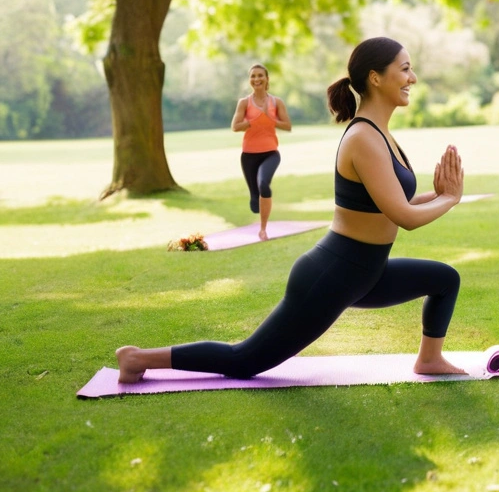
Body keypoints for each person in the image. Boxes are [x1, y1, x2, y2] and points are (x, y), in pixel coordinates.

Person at [115, 37, 467, 382]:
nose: (413, 78)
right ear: (376, 77)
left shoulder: (381, 134)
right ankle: (138, 358)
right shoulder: (364, 138)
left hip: (366, 273)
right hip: (333, 275)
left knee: (444, 280)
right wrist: (448, 199)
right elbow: (405, 218)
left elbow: (394, 206)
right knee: (246, 360)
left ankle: (429, 359)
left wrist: (438, 195)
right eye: (405, 69)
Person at [231, 64, 292, 241]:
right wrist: (253, 121)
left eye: (260, 76)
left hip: (270, 153)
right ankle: (254, 199)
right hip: (249, 156)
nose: (256, 79)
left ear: (267, 79)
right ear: (250, 80)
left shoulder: (276, 102)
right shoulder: (244, 103)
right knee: (255, 200)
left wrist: (271, 119)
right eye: (253, 76)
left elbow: (287, 126)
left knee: (264, 184)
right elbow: (235, 127)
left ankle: (263, 229)